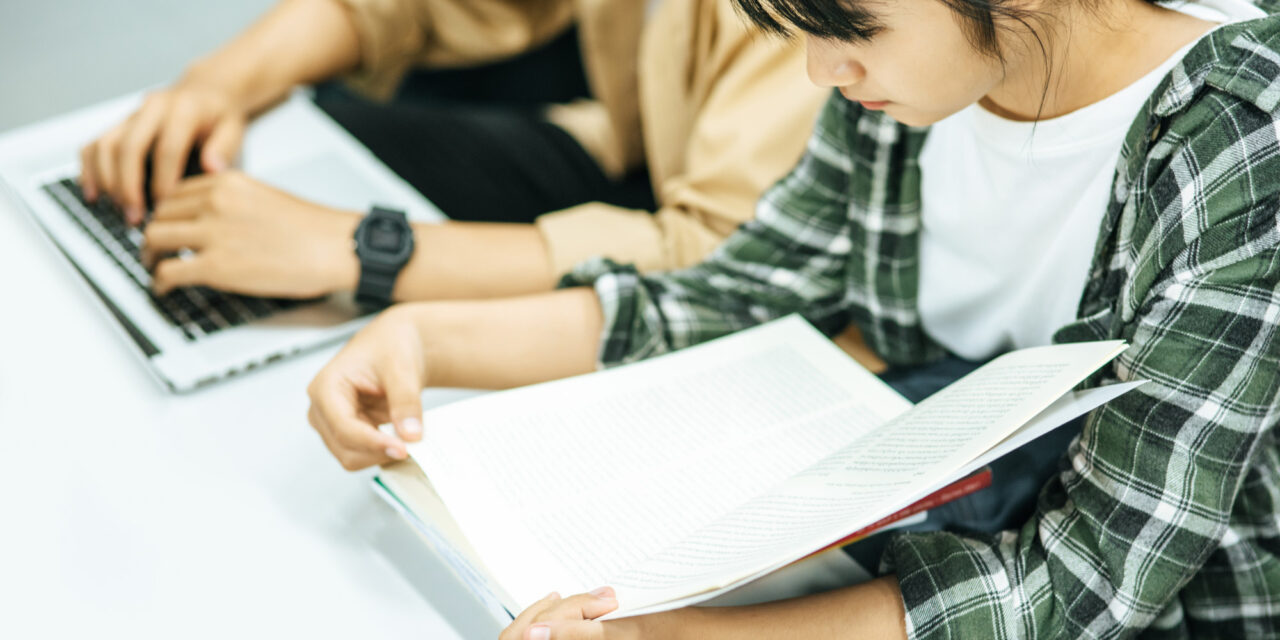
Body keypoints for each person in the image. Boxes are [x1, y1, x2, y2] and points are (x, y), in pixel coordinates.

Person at [306, 0, 1280, 635]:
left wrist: (686, 635)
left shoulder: (1237, 121)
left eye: (849, 27)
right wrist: (431, 338)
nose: (820, 71)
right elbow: (737, 289)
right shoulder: (916, 82)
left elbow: (1100, 574)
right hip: (941, 541)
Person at [76, 0, 826, 303]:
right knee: (308, 133)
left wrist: (364, 252)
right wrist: (217, 84)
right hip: (638, 146)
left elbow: (734, 255)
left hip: (760, 261)